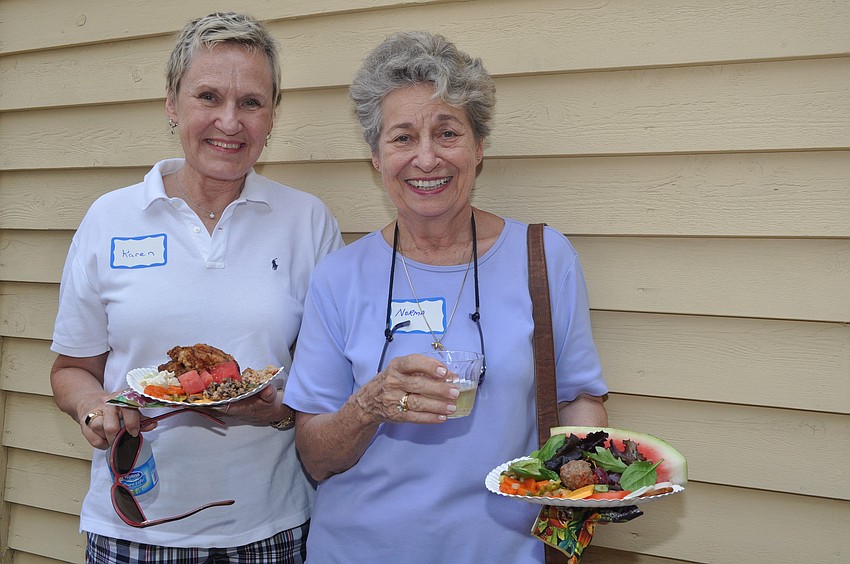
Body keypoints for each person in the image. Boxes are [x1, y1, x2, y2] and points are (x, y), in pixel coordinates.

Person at [284, 31, 608, 563]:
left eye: (447, 132)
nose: (426, 158)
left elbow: (578, 399)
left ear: (479, 148)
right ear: (376, 156)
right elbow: (315, 458)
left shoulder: (544, 257)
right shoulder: (338, 277)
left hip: (504, 551)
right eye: (403, 137)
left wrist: (591, 479)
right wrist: (369, 405)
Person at [49, 12, 343, 564]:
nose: (229, 122)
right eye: (208, 96)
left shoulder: (308, 222)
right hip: (133, 531)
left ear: (272, 114)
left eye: (251, 102)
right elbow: (71, 369)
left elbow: (326, 384)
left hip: (272, 529)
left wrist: (277, 411)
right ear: (172, 103)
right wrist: (97, 411)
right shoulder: (110, 218)